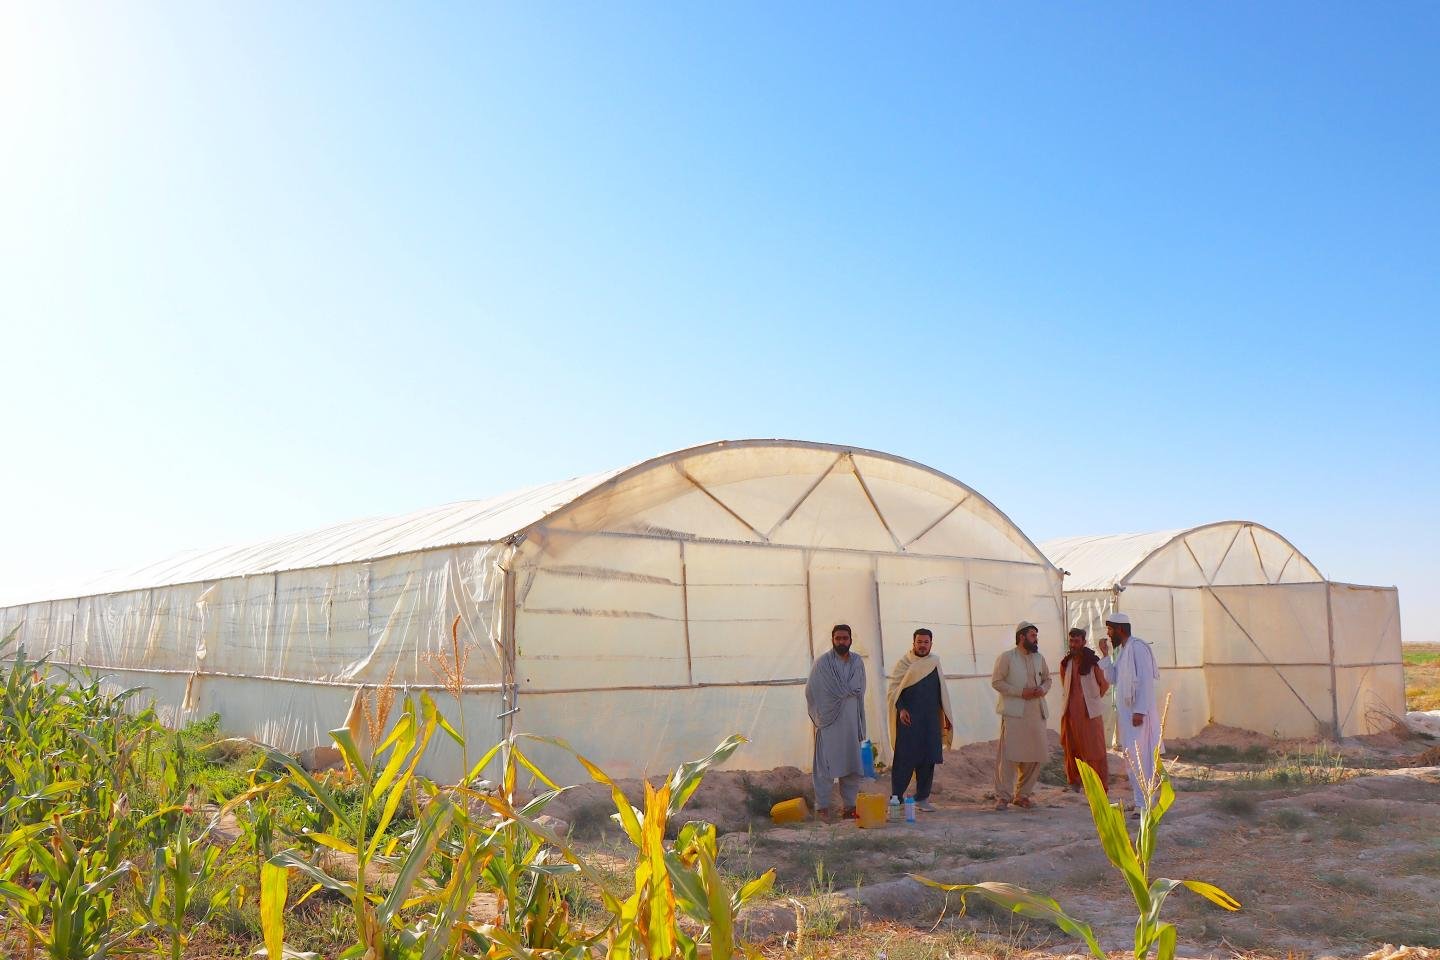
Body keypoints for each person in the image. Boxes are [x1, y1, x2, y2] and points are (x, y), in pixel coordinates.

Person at [1097, 612, 1162, 815]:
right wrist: (1105, 655)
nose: (1108, 634)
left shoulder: (1138, 648)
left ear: (1120, 630)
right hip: (1127, 716)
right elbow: (1113, 678)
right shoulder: (1123, 650)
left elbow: (1145, 681)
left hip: (1138, 715)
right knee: (1131, 758)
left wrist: (1140, 711)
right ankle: (1139, 801)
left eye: (1110, 630)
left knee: (1142, 759)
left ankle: (1146, 804)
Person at [886, 627, 955, 812]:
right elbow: (894, 690)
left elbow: (941, 691)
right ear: (913, 643)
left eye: (926, 642)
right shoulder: (904, 663)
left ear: (931, 643)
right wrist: (901, 709)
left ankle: (922, 798)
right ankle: (896, 797)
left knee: (928, 759)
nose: (922, 645)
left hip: (931, 720)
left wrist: (945, 718)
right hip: (909, 720)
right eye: (919, 642)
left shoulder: (934, 662)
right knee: (904, 758)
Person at [806, 623, 867, 820]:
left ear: (850, 640)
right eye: (838, 638)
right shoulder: (822, 664)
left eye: (845, 638)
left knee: (851, 764)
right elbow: (811, 691)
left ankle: (849, 807)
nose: (841, 642)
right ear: (832, 639)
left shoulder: (857, 662)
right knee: (825, 766)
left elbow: (860, 689)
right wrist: (821, 716)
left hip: (850, 722)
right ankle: (822, 807)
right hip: (829, 722)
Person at [991, 621, 1051, 810]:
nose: (1036, 639)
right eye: (1032, 635)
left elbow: (1048, 679)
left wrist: (1042, 688)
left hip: (1036, 711)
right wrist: (1020, 692)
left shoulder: (1039, 658)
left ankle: (1023, 795)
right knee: (1010, 755)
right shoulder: (1007, 658)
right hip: (1015, 713)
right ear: (1022, 637)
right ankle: (1003, 796)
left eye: (1036, 636)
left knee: (1036, 755)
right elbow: (997, 682)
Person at [1059, 627, 1110, 794]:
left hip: (1090, 714)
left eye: (1077, 641)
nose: (1073, 645)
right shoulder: (1065, 663)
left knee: (1094, 749)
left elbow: (1104, 685)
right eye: (1071, 641)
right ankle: (1074, 781)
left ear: (1083, 642)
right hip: (1070, 714)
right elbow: (1064, 685)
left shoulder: (1092, 662)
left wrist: (1092, 698)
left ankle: (1097, 785)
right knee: (1071, 747)